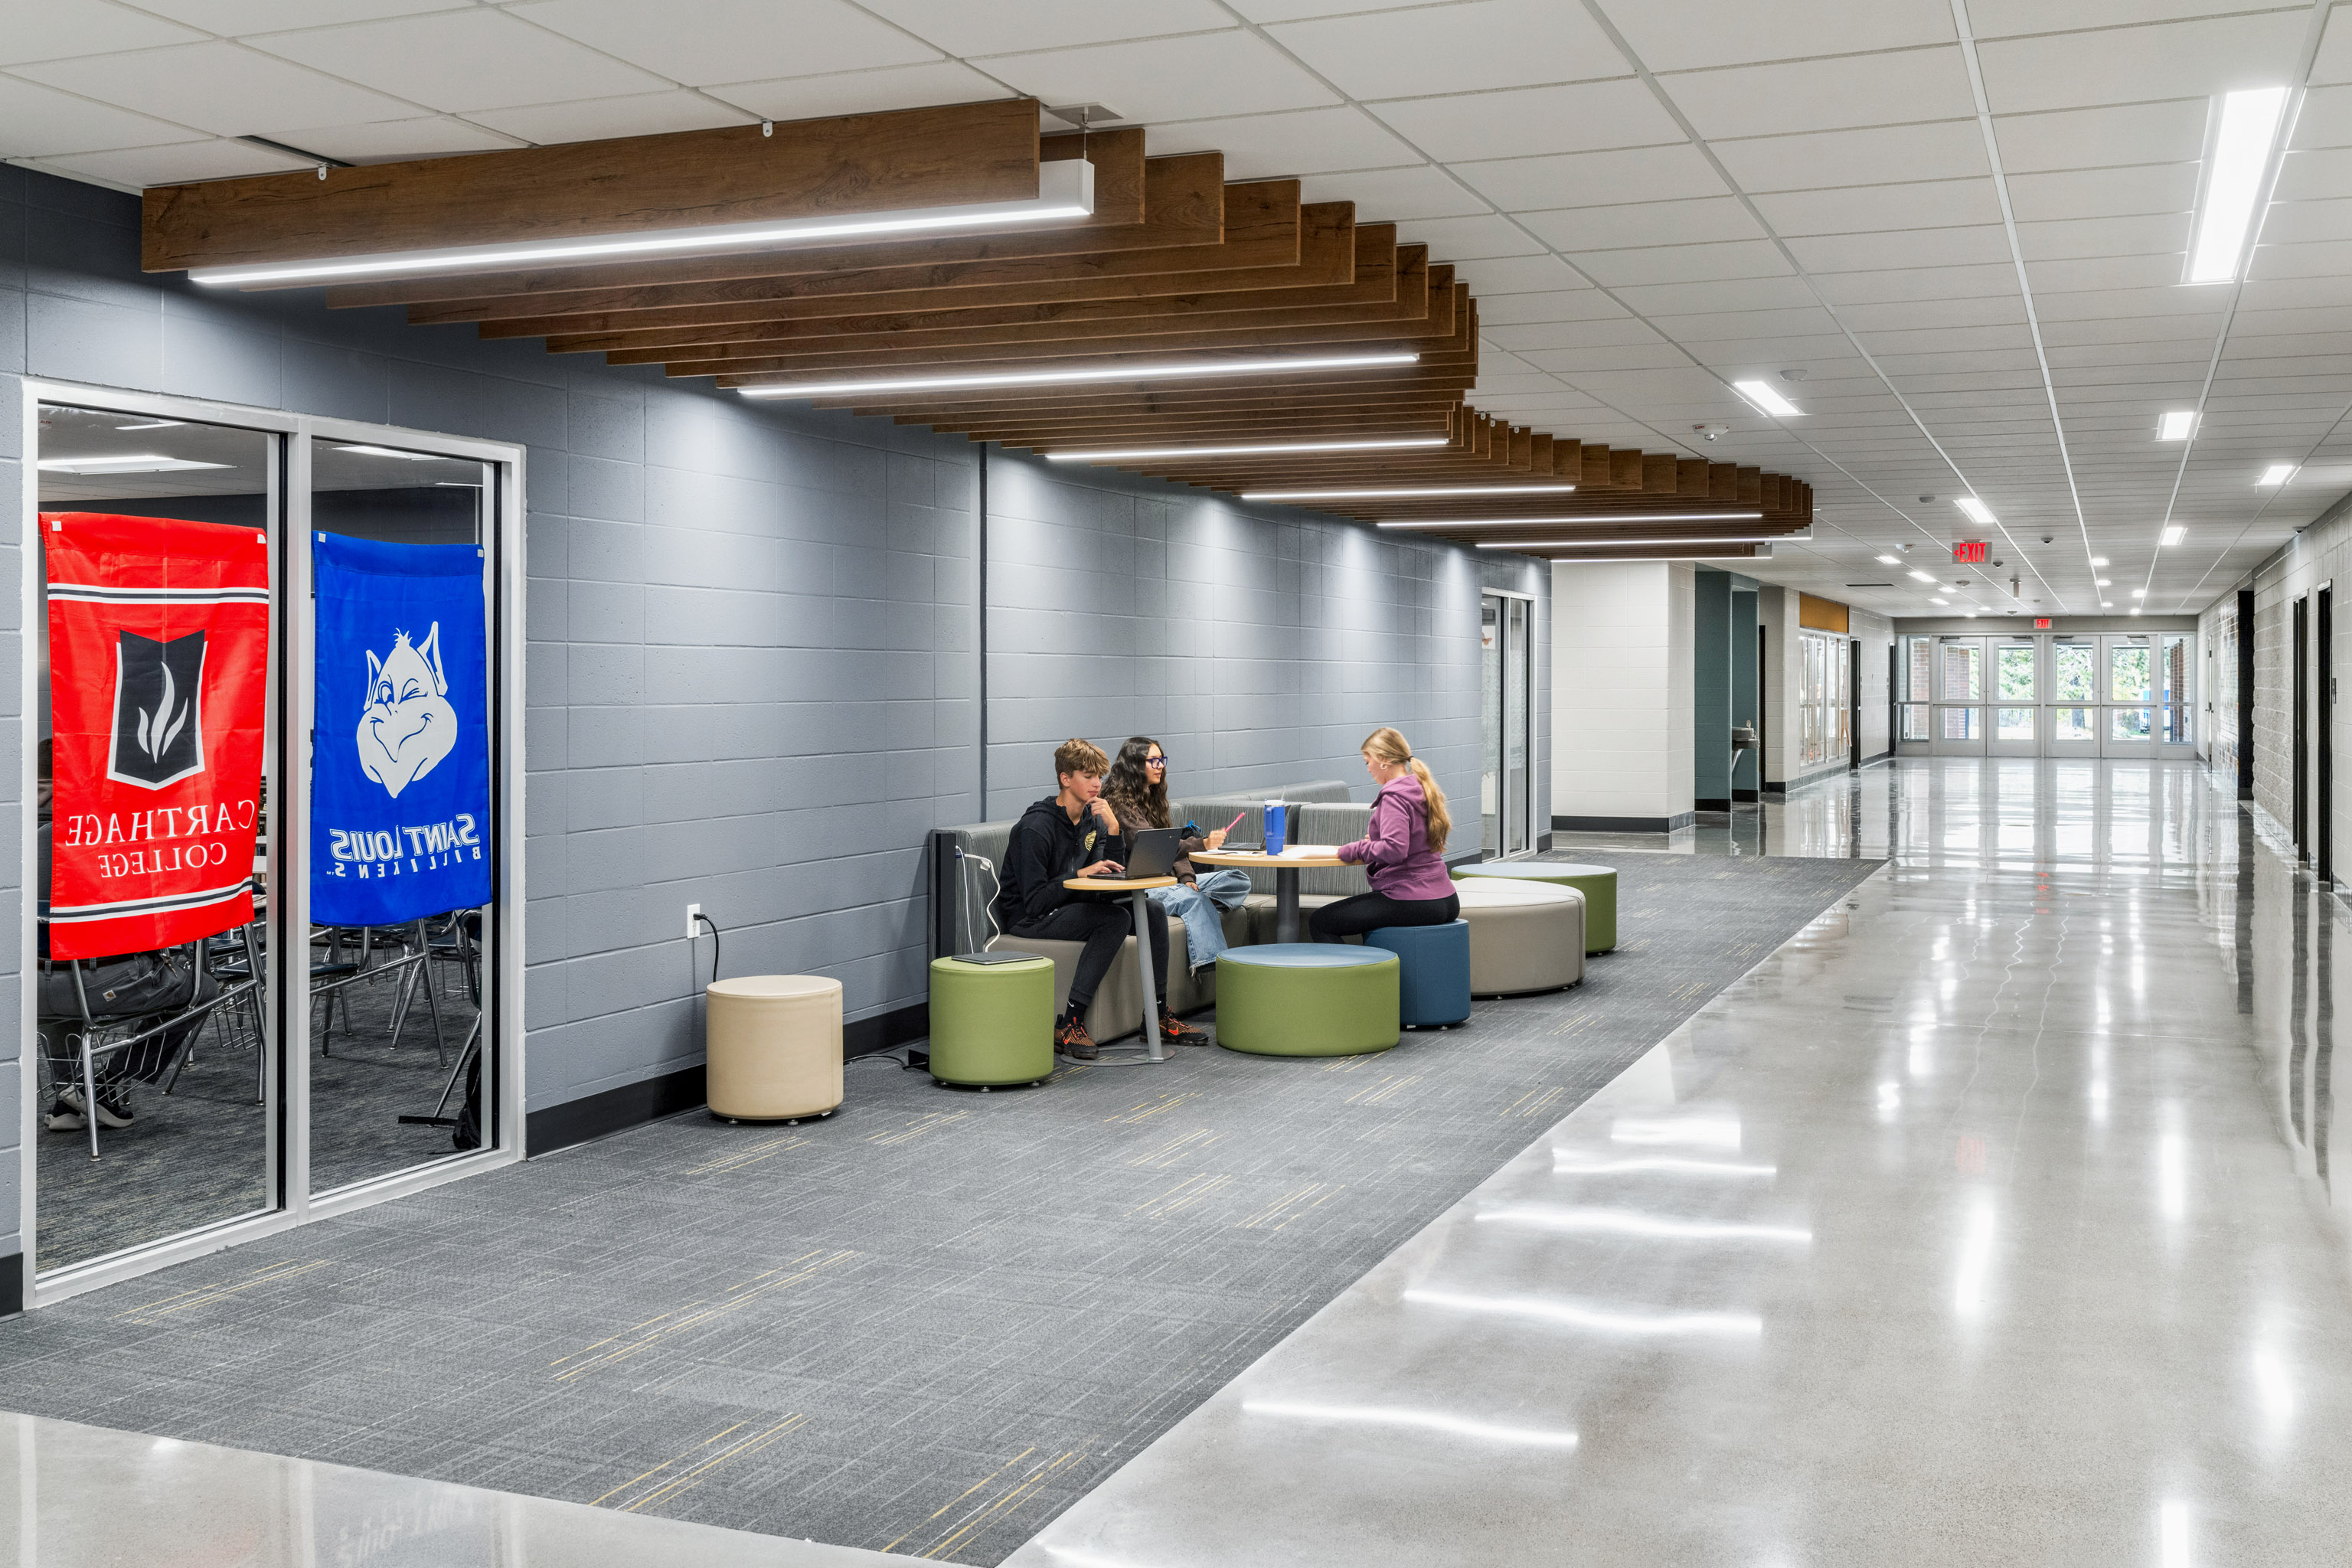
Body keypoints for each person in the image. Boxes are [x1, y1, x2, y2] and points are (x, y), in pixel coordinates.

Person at [994, 737, 1210, 1058]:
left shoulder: (1092, 819)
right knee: (1115, 919)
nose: (1097, 784)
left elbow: (1109, 869)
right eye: (1087, 776)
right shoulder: (1035, 828)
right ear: (1066, 779)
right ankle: (1071, 1022)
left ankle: (1157, 1015)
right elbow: (1035, 900)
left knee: (1152, 910)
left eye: (1099, 776)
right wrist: (1077, 876)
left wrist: (1112, 830)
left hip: (1070, 903)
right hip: (1031, 917)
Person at [1101, 737, 1252, 974]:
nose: (1160, 765)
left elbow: (1172, 850)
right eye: (1153, 761)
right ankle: (1209, 963)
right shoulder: (1120, 806)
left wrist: (1187, 879)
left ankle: (1189, 899)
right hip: (1144, 885)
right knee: (1195, 900)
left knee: (1237, 880)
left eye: (1161, 759)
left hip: (1168, 878)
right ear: (1135, 765)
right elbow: (1155, 847)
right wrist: (1202, 843)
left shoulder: (1153, 799)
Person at [1311, 727, 1462, 940]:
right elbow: (1412, 842)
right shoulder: (1419, 786)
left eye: (1367, 761)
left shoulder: (1394, 796)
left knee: (1321, 922)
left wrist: (1354, 849)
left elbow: (1395, 850)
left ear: (1382, 759)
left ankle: (1353, 975)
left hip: (1414, 899)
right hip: (1446, 898)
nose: (1368, 769)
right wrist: (1378, 842)